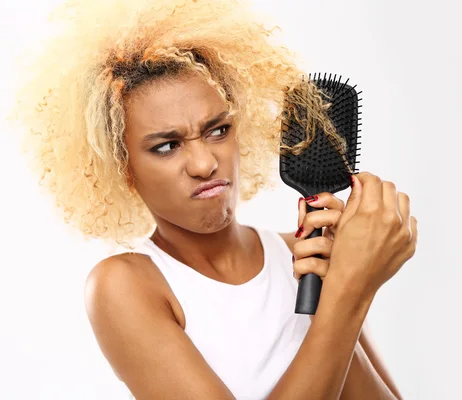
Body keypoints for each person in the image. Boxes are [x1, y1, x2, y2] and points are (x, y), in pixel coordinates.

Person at [10, 0, 418, 398]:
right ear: (124, 168)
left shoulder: (306, 256)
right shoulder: (125, 285)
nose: (205, 163)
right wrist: (349, 290)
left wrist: (343, 288)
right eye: (168, 146)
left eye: (217, 130)